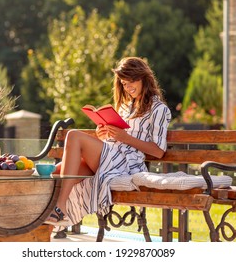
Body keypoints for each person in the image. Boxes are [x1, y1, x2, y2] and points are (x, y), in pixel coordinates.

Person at [44, 56, 171, 228]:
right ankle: (43, 218)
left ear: (143, 78)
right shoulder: (126, 106)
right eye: (124, 84)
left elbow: (158, 151)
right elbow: (116, 138)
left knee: (73, 135)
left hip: (127, 164)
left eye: (130, 82)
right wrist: (103, 135)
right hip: (111, 156)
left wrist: (124, 137)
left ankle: (60, 209)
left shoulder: (159, 109)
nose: (127, 88)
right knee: (56, 172)